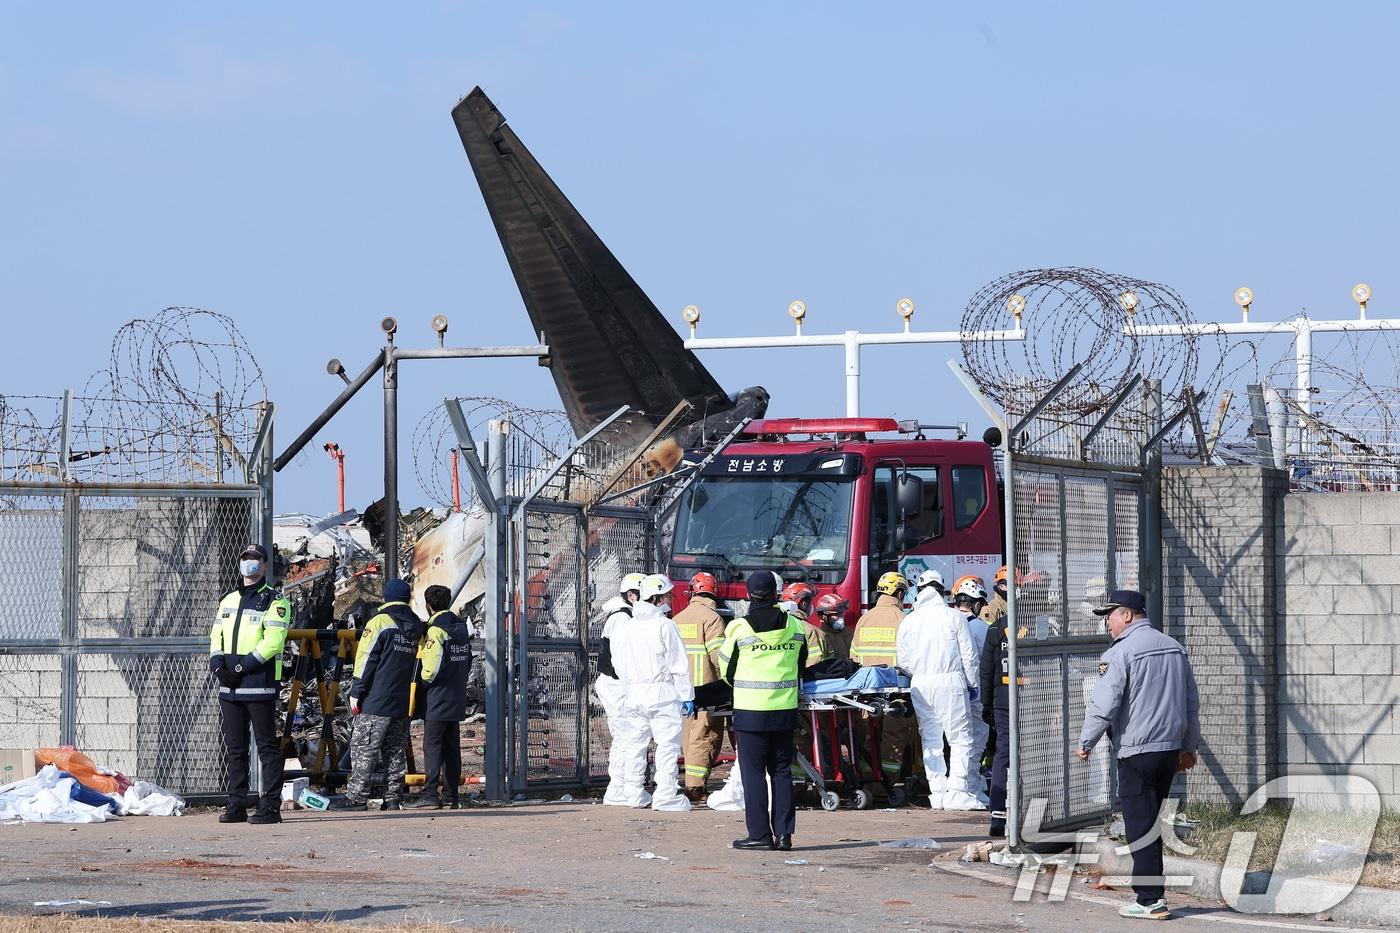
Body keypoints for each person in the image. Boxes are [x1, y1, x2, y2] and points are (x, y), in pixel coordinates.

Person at [1077, 590, 1201, 921]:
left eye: (1111, 616)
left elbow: (1104, 704)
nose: (1107, 624)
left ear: (1128, 615)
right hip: (1169, 749)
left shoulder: (1121, 653)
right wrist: (1189, 746)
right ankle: (1151, 893)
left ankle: (1150, 899)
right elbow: (1191, 702)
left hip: (1137, 750)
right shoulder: (1174, 647)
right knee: (1149, 820)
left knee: (1139, 825)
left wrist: (1086, 741)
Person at [720, 571, 807, 851]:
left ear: (748, 594)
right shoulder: (794, 625)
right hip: (784, 708)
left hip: (750, 711)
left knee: (754, 774)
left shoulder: (739, 627)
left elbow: (726, 669)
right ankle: (784, 835)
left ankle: (759, 835)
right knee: (781, 771)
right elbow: (802, 662)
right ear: (776, 593)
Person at [209, 543, 291, 825]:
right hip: (229, 688)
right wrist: (219, 666)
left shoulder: (275, 601)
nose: (250, 563)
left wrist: (242, 667)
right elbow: (216, 635)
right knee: (235, 749)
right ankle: (237, 804)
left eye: (256, 559)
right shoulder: (228, 600)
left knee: (267, 747)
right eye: (246, 558)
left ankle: (270, 806)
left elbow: (273, 642)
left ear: (265, 565)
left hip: (259, 684)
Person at [331, 579, 424, 811]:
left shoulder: (380, 622)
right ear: (408, 598)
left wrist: (356, 691)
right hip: (401, 701)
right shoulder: (416, 626)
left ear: (386, 596)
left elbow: (366, 660)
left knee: (364, 749)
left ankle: (356, 798)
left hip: (375, 700)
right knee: (394, 752)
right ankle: (393, 798)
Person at [896, 575, 982, 810]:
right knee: (961, 738)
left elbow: (903, 660)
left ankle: (938, 792)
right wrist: (972, 685)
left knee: (931, 739)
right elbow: (969, 656)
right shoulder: (954, 617)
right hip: (950, 681)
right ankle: (958, 790)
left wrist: (922, 672)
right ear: (941, 591)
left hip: (921, 683)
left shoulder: (909, 621)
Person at [611, 574, 693, 811]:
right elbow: (678, 664)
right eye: (666, 595)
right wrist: (687, 695)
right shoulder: (665, 626)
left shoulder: (627, 627)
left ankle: (634, 794)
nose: (669, 599)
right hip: (662, 694)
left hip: (634, 695)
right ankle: (666, 795)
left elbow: (619, 664)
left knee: (636, 745)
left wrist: (630, 688)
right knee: (666, 746)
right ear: (657, 598)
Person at [851, 572, 917, 791]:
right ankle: (889, 781)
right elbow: (910, 659)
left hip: (866, 691)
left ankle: (868, 778)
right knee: (894, 737)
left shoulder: (864, 619)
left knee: (868, 733)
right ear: (898, 592)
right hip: (896, 691)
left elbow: (854, 657)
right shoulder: (903, 619)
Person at [409, 585, 472, 809]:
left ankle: (429, 795)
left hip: (437, 697)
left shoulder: (435, 630)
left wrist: (423, 685)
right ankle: (452, 795)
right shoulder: (461, 628)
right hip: (456, 695)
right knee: (452, 747)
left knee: (432, 745)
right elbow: (468, 660)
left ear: (429, 606)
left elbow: (431, 668)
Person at [674, 572, 726, 801]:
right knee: (705, 737)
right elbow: (719, 657)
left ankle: (690, 784)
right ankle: (695, 787)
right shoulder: (712, 618)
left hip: (681, 690)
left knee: (687, 737)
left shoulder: (678, 618)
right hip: (706, 690)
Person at [600, 572, 646, 807]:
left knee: (625, 736)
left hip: (617, 684)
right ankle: (619, 788)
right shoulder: (622, 618)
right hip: (617, 685)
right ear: (631, 595)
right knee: (626, 736)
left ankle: (619, 788)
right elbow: (620, 661)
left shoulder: (625, 616)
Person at [951, 578, 992, 806]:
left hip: (951, 693)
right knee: (975, 741)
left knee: (956, 741)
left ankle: (963, 787)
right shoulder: (981, 628)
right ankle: (971, 787)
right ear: (976, 603)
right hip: (975, 691)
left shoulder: (946, 622)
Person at [979, 601, 1012, 836]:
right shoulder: (1042, 624)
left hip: (1003, 699)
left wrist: (987, 704)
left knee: (1003, 752)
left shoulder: (996, 628)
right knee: (1036, 752)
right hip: (1033, 697)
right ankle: (1035, 812)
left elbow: (987, 670)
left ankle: (998, 815)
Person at [782, 581, 828, 667]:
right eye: (810, 603)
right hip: (803, 678)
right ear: (804, 604)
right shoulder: (811, 631)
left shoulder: (776, 625)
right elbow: (815, 663)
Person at [812, 593, 852, 661]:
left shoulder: (850, 633)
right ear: (824, 617)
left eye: (842, 613)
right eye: (837, 614)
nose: (841, 617)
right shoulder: (819, 638)